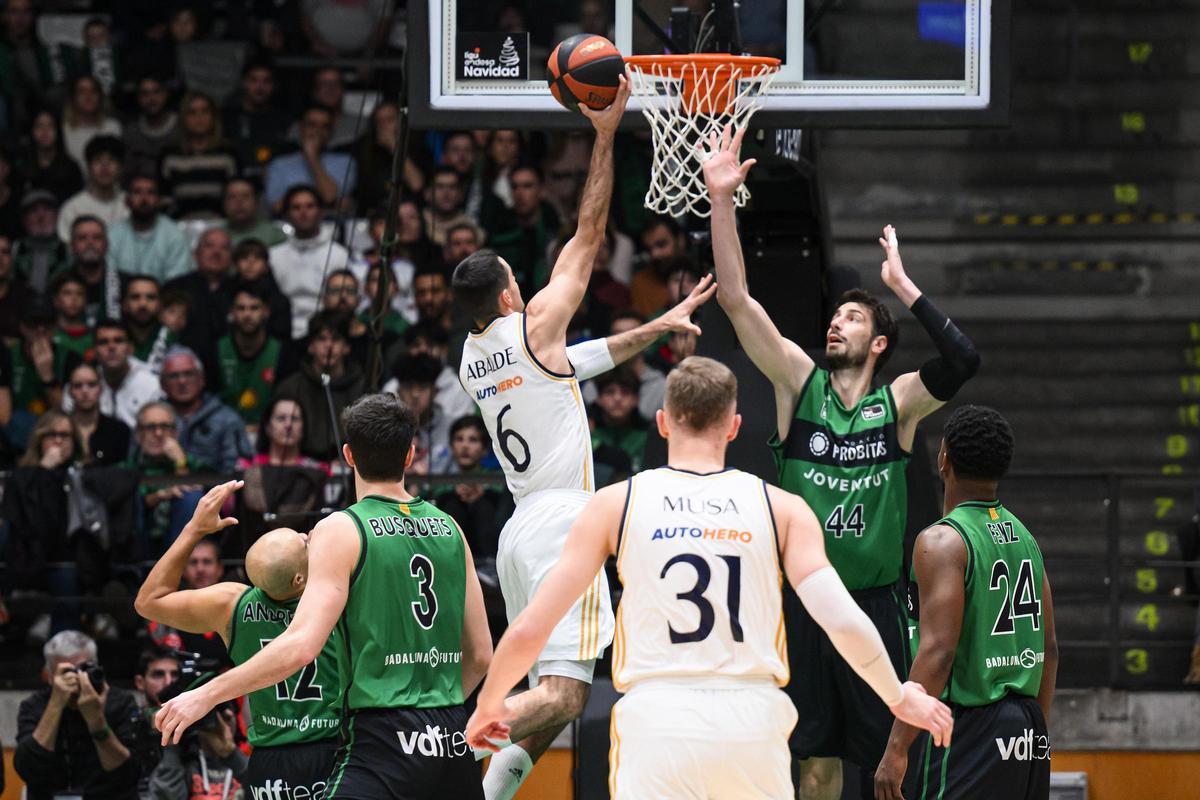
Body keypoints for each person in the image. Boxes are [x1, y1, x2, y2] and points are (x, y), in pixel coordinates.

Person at [465, 356, 953, 797]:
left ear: (662, 422)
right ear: (735, 426)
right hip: (750, 721)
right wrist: (897, 694)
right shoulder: (783, 508)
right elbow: (840, 615)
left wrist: (491, 703)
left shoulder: (615, 504)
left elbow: (532, 626)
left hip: (658, 721)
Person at [702, 125, 981, 799]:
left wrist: (904, 287)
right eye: (835, 317)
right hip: (802, 605)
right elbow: (737, 303)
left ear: (880, 342)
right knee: (813, 766)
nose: (836, 323)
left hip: (879, 606)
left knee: (888, 769)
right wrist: (719, 201)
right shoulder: (799, 384)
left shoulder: (899, 405)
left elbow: (965, 361)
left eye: (852, 319)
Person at [156, 394, 494, 799]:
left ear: (349, 455)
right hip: (449, 737)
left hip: (383, 737)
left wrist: (205, 695)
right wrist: (435, 713)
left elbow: (300, 646)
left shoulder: (343, 527)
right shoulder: (451, 528)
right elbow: (480, 657)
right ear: (410, 455)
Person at [451, 76, 635, 798]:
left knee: (555, 705)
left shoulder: (472, 359)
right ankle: (431, 753)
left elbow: (572, 367)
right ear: (506, 295)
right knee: (560, 697)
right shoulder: (533, 326)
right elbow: (588, 236)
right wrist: (606, 136)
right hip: (563, 523)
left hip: (520, 529)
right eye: (515, 282)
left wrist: (651, 330)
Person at [874, 406, 1057, 800]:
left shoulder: (942, 541)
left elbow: (939, 652)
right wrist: (1035, 736)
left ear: (944, 458)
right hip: (1027, 726)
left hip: (967, 727)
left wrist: (896, 748)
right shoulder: (1026, 538)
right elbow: (1051, 650)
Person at [136, 481, 344, 800]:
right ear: (299, 578)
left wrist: (194, 529)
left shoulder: (232, 604)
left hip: (268, 762)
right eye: (304, 542)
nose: (309, 537)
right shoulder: (337, 600)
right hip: (331, 751)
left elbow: (148, 602)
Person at [15, 630, 141, 800]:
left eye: (83, 669)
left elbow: (129, 774)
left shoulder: (120, 702)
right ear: (50, 677)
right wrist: (56, 703)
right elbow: (27, 769)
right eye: (67, 672)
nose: (76, 678)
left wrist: (96, 720)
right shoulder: (34, 706)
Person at [270, 311, 364, 462]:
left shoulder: (362, 388)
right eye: (321, 339)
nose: (328, 345)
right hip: (299, 467)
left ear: (347, 347)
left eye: (336, 339)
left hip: (350, 467)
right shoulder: (291, 387)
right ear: (311, 346)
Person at [269, 185, 350, 338]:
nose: (303, 213)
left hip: (326, 332)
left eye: (310, 206)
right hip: (282, 333)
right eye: (296, 207)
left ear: (321, 212)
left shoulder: (339, 254)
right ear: (287, 214)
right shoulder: (274, 255)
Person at [160, 346, 252, 472]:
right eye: (174, 376)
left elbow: (238, 471)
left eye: (189, 374)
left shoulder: (227, 420)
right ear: (162, 383)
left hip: (214, 489)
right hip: (159, 489)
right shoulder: (152, 419)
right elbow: (136, 467)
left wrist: (184, 461)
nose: (182, 381)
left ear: (201, 379)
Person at [215, 281, 293, 426]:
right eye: (241, 308)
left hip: (268, 433)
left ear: (266, 311)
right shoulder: (216, 349)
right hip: (225, 432)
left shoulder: (283, 352)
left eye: (254, 308)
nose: (247, 314)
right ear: (232, 312)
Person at [434, 415, 510, 561]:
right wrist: (453, 492)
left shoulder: (498, 480)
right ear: (451, 446)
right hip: (451, 560)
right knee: (452, 504)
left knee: (484, 506)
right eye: (459, 439)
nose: (465, 446)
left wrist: (485, 493)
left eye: (473, 440)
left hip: (493, 558)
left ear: (484, 449)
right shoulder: (440, 482)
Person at [158, 91, 240, 219]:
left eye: (205, 111)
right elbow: (164, 199)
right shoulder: (170, 155)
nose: (199, 118)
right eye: (192, 112)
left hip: (221, 226)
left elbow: (235, 197)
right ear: (183, 118)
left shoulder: (228, 154)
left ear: (213, 116)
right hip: (179, 226)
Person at [72, 319, 164, 428]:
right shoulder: (83, 382)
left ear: (130, 348)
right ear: (94, 351)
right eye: (103, 342)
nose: (111, 347)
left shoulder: (151, 384)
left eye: (118, 341)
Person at [265, 106, 356, 213]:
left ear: (331, 132)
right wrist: (328, 206)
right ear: (300, 127)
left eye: (324, 126)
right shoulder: (278, 164)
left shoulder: (346, 162)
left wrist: (312, 157)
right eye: (311, 125)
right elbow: (276, 207)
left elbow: (330, 196)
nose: (317, 131)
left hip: (330, 226)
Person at [106, 173, 193, 284]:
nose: (144, 199)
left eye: (150, 193)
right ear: (127, 201)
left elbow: (177, 284)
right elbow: (110, 282)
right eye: (137, 192)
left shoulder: (174, 236)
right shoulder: (113, 236)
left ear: (159, 200)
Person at [167, 228, 235, 353]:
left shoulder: (240, 289)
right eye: (209, 246)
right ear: (195, 254)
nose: (216, 252)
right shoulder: (175, 288)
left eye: (224, 248)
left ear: (231, 258)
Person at [223, 61, 290, 181]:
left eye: (266, 81)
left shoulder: (283, 120)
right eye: (253, 80)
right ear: (244, 83)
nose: (260, 87)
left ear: (274, 86)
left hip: (274, 181)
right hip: (235, 181)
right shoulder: (228, 117)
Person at [57, 135, 127, 242]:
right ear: (89, 167)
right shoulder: (72, 208)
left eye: (111, 160)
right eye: (98, 160)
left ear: (121, 168)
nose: (105, 167)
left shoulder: (130, 204)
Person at [67, 361, 131, 465]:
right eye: (78, 386)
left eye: (91, 385)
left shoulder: (118, 430)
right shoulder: (59, 430)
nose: (85, 391)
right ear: (70, 391)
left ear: (100, 389)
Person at [65, 215, 123, 325]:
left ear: (106, 245)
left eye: (97, 238)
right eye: (82, 238)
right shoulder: (60, 284)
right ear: (72, 246)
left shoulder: (125, 284)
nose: (90, 243)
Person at [233, 237, 293, 341]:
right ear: (235, 264)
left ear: (266, 265)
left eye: (257, 258)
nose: (250, 263)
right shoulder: (225, 294)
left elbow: (282, 336)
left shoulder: (279, 301)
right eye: (244, 257)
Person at [12, 188, 70, 298]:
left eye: (47, 209)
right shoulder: (15, 250)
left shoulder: (68, 250)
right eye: (33, 210)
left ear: (56, 215)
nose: (41, 216)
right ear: (24, 219)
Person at [61, 76, 123, 172]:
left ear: (100, 96)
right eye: (82, 92)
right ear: (73, 98)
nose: (88, 96)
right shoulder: (64, 131)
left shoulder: (113, 127)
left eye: (93, 91)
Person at [21, 111, 85, 204]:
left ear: (58, 131)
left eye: (50, 126)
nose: (45, 131)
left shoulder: (71, 168)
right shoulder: (22, 166)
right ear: (32, 131)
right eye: (39, 126)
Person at [124, 76, 180, 179]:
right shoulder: (131, 132)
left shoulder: (181, 127)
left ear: (165, 94)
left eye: (157, 92)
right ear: (138, 98)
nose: (152, 99)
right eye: (145, 94)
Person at [121, 276, 176, 374]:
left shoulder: (172, 337)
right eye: (135, 297)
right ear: (124, 304)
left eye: (151, 297)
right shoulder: (113, 339)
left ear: (160, 304)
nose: (143, 304)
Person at [222, 178, 286, 248]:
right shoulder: (213, 236)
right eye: (232, 197)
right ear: (224, 203)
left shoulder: (274, 235)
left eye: (245, 196)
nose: (239, 202)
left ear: (256, 202)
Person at [50, 271, 93, 361]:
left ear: (86, 301)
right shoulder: (48, 335)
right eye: (67, 293)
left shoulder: (95, 337)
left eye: (80, 294)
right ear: (56, 300)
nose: (74, 299)